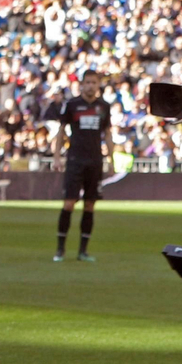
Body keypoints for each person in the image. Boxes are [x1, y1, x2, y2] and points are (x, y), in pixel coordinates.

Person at [50, 70, 111, 263]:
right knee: (69, 203)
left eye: (94, 82)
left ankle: (83, 251)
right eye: (88, 82)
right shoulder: (72, 105)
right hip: (76, 159)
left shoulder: (104, 107)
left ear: (98, 85)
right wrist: (57, 156)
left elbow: (107, 133)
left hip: (95, 161)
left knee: (90, 205)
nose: (91, 86)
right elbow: (61, 131)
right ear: (82, 84)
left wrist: (111, 158)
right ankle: (60, 249)